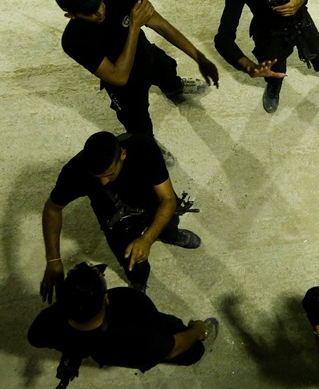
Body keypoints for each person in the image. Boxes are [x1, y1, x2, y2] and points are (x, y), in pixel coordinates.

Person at [40, 131, 201, 299]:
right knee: (131, 259)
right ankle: (138, 281)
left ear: (123, 154)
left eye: (110, 174)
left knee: (168, 223)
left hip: (152, 201)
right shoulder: (74, 172)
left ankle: (172, 235)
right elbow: (52, 209)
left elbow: (167, 199)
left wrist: (147, 239)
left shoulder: (143, 146)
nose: (103, 182)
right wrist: (53, 260)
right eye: (98, 177)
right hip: (116, 217)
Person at [55, 0, 219, 138]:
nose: (99, 12)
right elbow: (119, 77)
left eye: (98, 3)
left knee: (168, 71)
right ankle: (147, 145)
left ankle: (174, 88)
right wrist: (134, 27)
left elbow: (161, 25)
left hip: (148, 56)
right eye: (89, 11)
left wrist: (199, 57)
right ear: (71, 15)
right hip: (125, 88)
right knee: (138, 126)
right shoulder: (73, 41)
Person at [29, 262, 218, 372]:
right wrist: (196, 330)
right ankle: (197, 350)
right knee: (190, 349)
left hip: (104, 352)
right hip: (149, 347)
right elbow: (172, 348)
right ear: (105, 299)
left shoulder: (49, 322)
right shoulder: (132, 306)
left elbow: (35, 338)